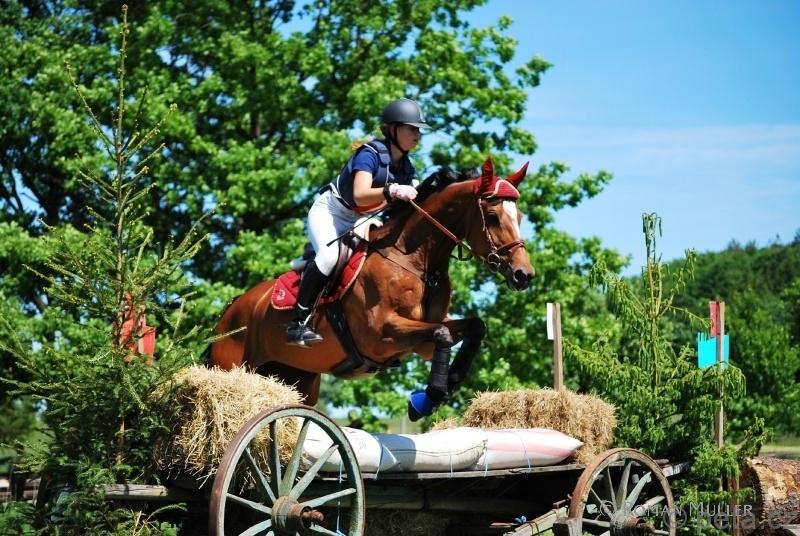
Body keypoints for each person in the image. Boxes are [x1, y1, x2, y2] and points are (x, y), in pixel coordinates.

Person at [287, 98, 430, 346]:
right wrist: (392, 190)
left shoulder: (407, 168)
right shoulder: (369, 154)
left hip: (362, 219)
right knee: (330, 257)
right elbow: (360, 194)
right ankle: (297, 324)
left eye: (419, 130)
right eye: (412, 128)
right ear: (393, 129)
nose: (417, 135)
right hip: (331, 212)